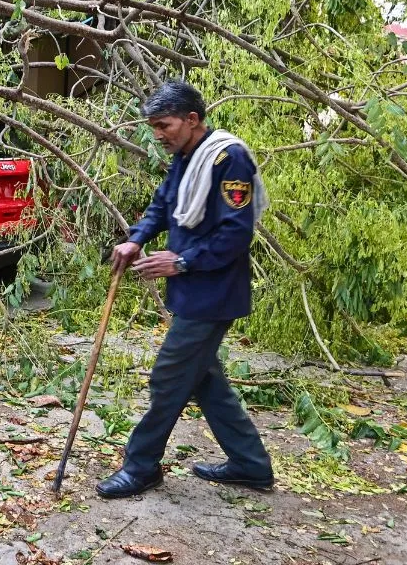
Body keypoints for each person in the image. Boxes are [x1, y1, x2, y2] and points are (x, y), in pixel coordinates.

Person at [97, 80, 275, 498]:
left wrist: (180, 261)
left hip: (214, 293)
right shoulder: (186, 155)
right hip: (192, 290)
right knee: (203, 378)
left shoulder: (229, 160)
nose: (158, 135)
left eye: (164, 125)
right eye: (154, 126)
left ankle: (141, 466)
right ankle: (251, 465)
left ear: (192, 120)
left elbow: (236, 233)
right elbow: (163, 203)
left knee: (169, 376)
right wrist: (136, 238)